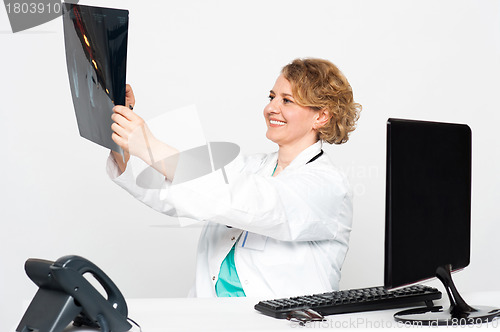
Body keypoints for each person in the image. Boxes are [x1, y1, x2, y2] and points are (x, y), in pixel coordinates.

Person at [107, 58, 362, 298]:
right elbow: (172, 193)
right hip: (214, 318)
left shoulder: (327, 186)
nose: (271, 107)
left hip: (283, 323)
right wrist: (124, 139)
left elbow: (252, 202)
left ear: (321, 116)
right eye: (272, 97)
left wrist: (150, 147)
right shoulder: (251, 166)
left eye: (287, 101)